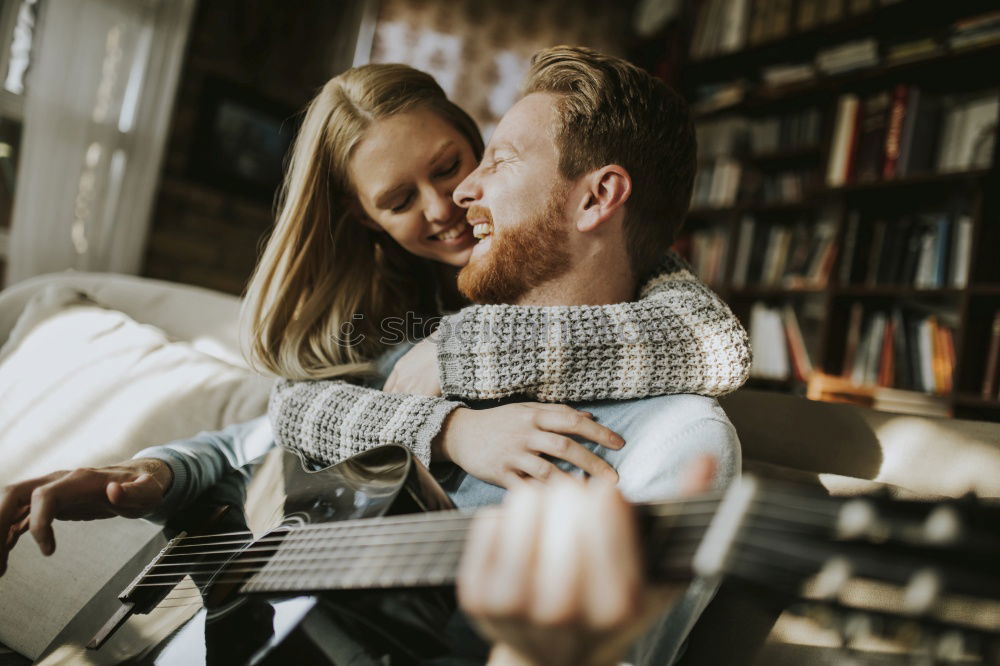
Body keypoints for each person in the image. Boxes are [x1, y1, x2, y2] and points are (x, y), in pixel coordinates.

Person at [0, 47, 744, 663]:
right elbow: (278, 426)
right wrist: (161, 469)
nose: (460, 198)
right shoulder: (413, 340)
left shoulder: (675, 436)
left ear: (595, 198)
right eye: (400, 198)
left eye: (487, 160)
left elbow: (709, 338)